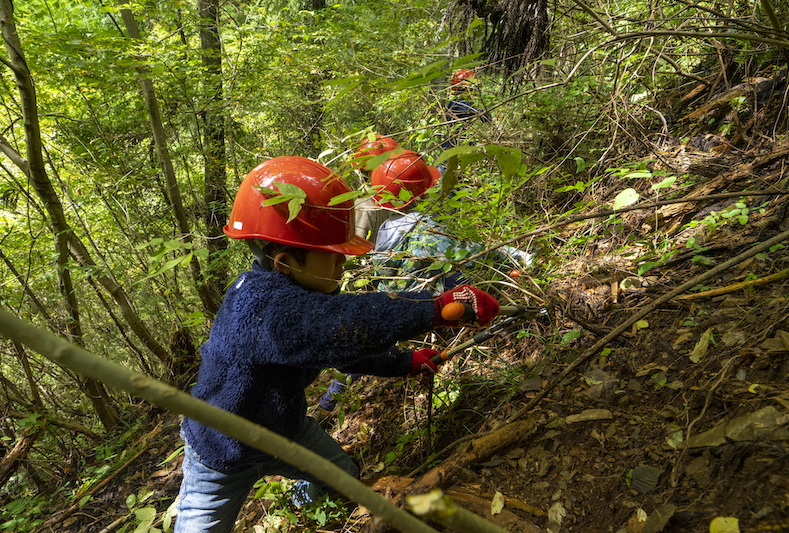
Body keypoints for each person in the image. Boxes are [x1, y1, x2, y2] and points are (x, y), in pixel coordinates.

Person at [174, 156, 500, 533]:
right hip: (220, 452)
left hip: (284, 432)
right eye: (332, 258)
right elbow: (340, 327)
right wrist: (435, 307)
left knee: (341, 475)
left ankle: (301, 511)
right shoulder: (261, 307)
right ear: (284, 262)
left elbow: (338, 349)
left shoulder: (292, 297)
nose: (342, 266)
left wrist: (405, 363)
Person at [315, 150, 530, 420]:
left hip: (393, 300)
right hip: (427, 300)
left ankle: (328, 401)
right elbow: (462, 258)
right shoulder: (426, 226)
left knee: (367, 344)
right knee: (469, 278)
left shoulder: (385, 230)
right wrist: (511, 258)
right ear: (425, 193)